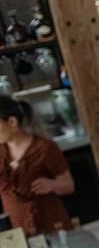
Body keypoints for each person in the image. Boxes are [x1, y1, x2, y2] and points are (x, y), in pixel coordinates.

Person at [0, 96, 74, 235]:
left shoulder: (45, 148)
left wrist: (52, 184)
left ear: (12, 122)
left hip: (50, 223)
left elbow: (69, 185)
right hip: (16, 230)